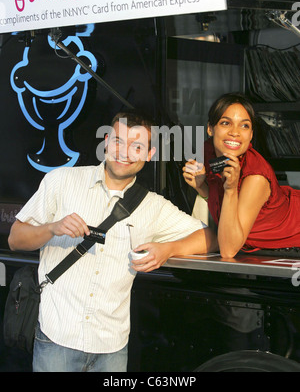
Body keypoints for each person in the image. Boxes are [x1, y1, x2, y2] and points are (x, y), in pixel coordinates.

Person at [8, 110, 217, 372]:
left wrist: (169, 249)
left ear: (149, 154)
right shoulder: (61, 181)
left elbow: (212, 238)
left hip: (111, 348)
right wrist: (52, 227)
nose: (124, 152)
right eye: (118, 141)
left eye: (137, 146)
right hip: (56, 338)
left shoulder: (154, 207)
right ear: (106, 141)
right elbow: (16, 238)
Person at [183, 92, 300, 258]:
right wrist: (202, 188)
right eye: (226, 123)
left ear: (251, 134)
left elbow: (228, 250)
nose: (235, 132)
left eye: (244, 126)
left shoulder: (255, 177)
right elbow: (224, 211)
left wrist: (230, 190)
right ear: (210, 128)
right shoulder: (210, 153)